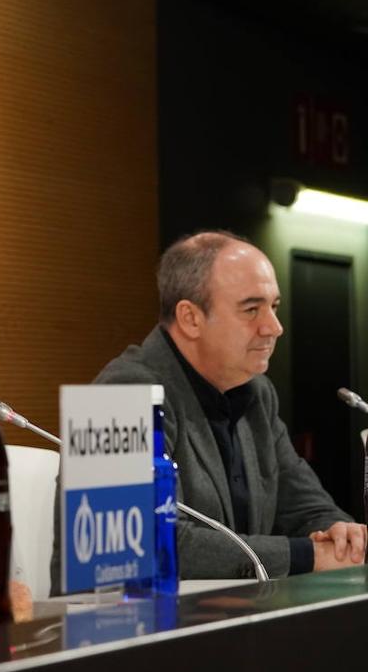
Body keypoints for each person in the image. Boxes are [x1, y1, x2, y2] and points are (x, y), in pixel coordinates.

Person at [93, 230, 367, 579]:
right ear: (191, 318)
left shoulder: (257, 393)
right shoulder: (121, 394)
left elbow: (303, 503)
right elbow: (138, 546)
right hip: (129, 624)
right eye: (252, 309)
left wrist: (340, 532)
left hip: (234, 617)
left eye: (274, 307)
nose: (274, 327)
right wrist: (305, 556)